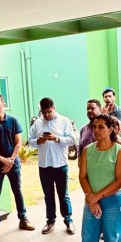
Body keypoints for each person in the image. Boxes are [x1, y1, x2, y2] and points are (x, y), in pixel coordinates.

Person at [64, 113, 121, 242]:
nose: (97, 130)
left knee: (112, 240)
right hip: (91, 200)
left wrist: (97, 197)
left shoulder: (119, 151)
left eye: (101, 127)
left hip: (114, 201)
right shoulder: (88, 150)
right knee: (88, 240)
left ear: (111, 129)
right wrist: (90, 197)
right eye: (95, 126)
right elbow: (82, 176)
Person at [0, 93, 34, 238]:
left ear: (3, 104)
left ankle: (23, 219)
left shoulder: (13, 121)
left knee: (17, 191)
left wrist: (10, 160)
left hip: (13, 163)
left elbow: (18, 143)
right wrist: (3, 160)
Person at [25, 97, 76, 235]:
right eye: (44, 112)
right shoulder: (38, 123)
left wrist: (57, 138)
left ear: (54, 108)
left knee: (63, 195)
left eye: (49, 111)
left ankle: (68, 220)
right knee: (48, 195)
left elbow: (72, 139)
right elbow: (30, 141)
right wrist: (39, 141)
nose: (47, 115)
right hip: (44, 165)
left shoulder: (64, 121)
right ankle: (50, 221)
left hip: (60, 164)